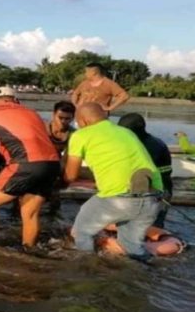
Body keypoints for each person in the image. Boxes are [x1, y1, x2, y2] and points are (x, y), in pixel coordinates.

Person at [62, 103, 163, 260]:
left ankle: (85, 266)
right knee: (132, 247)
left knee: (81, 232)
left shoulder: (81, 135)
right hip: (152, 198)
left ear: (82, 120)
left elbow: (70, 175)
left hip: (118, 199)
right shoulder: (126, 132)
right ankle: (145, 272)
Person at [0, 86, 60, 248]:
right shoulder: (33, 113)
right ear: (15, 100)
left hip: (25, 164)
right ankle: (29, 249)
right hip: (52, 165)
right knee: (29, 212)